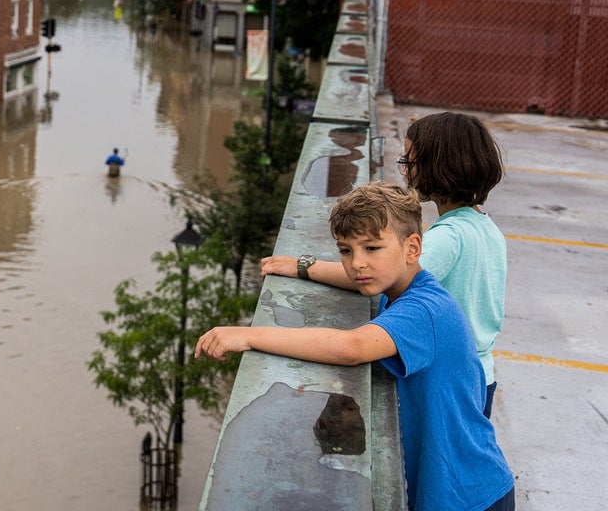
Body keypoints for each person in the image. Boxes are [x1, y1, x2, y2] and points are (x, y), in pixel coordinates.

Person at [196, 182, 515, 511]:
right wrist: (303, 268)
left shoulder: (425, 311)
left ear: (412, 248)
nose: (357, 263)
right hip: (457, 486)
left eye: (372, 248)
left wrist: (249, 335)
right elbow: (364, 283)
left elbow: (351, 347)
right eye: (346, 250)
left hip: (471, 495)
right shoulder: (404, 292)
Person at [260, 112, 507, 417]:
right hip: (481, 373)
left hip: (453, 383)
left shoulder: (450, 237)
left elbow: (379, 276)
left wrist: (305, 267)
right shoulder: (485, 227)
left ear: (438, 166)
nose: (404, 169)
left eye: (410, 161)